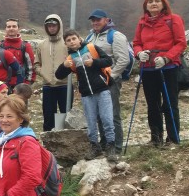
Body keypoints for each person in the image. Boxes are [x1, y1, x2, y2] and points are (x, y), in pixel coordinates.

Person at [133, 0, 187, 147]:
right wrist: (139, 53)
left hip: (169, 67)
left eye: (157, 1)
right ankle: (156, 138)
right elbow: (136, 43)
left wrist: (166, 58)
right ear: (146, 6)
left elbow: (181, 43)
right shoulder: (142, 22)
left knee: (170, 102)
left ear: (163, 4)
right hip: (148, 68)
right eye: (150, 2)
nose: (153, 4)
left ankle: (173, 139)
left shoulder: (173, 20)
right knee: (152, 104)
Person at [55, 29, 117, 160]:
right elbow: (58, 75)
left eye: (73, 39)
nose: (72, 42)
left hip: (102, 90)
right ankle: (95, 147)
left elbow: (108, 61)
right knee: (91, 122)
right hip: (86, 94)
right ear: (66, 44)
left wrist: (94, 62)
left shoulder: (91, 47)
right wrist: (64, 66)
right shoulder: (70, 58)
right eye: (68, 40)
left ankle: (111, 147)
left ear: (79, 38)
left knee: (107, 119)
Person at [86, 9, 131, 148]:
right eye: (93, 20)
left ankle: (116, 146)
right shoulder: (90, 37)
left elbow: (123, 60)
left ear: (106, 20)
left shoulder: (116, 36)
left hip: (111, 81)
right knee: (100, 114)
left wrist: (110, 76)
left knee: (112, 114)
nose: (95, 22)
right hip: (95, 82)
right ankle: (106, 143)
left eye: (98, 19)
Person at [34, 15, 69, 131]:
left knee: (65, 114)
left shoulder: (67, 43)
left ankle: (62, 139)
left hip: (65, 85)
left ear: (59, 26)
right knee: (49, 115)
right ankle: (49, 142)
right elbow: (36, 64)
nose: (52, 28)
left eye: (54, 25)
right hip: (47, 85)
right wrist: (42, 73)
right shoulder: (41, 45)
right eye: (49, 26)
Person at [0, 18, 36, 87]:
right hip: (2, 86)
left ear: (18, 28)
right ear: (5, 29)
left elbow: (31, 67)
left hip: (20, 84)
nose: (11, 29)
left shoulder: (25, 46)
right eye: (9, 26)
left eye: (14, 26)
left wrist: (26, 85)